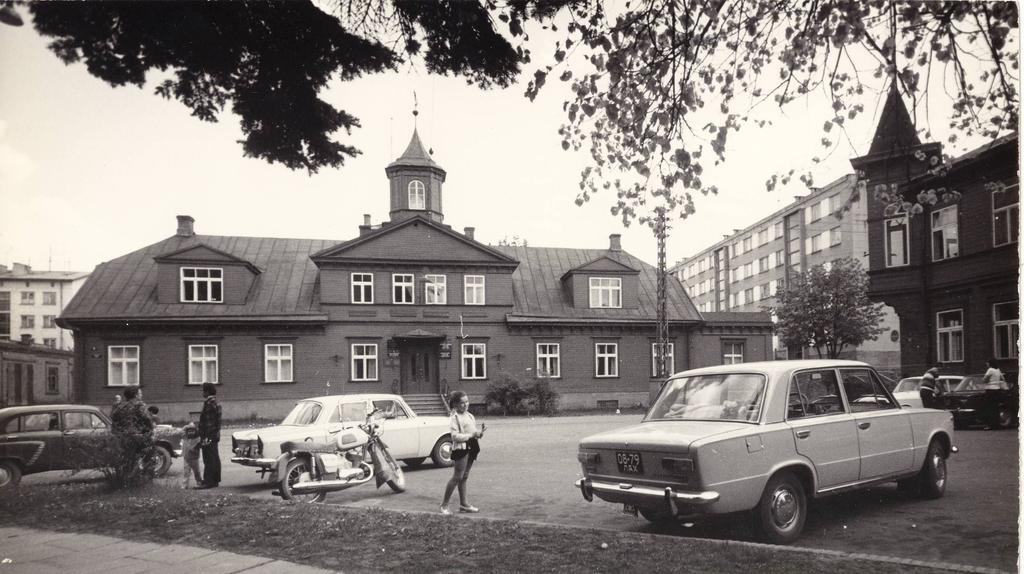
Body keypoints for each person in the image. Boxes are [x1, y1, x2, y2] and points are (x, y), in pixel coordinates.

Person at [440, 391, 485, 515]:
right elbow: (454, 437)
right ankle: (444, 505)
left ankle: (464, 504)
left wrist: (478, 433)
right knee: (457, 477)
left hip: (472, 447)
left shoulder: (470, 416)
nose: (465, 405)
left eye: (467, 402)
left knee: (464, 477)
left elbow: (473, 431)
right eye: (462, 403)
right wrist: (471, 435)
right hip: (461, 449)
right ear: (455, 404)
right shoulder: (455, 418)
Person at [196, 382, 222, 489]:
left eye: (203, 391)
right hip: (214, 434)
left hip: (208, 434)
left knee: (208, 458)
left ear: (207, 391)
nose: (202, 393)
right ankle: (215, 480)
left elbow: (207, 422)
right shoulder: (216, 402)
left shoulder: (209, 403)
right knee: (214, 457)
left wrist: (203, 435)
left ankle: (208, 481)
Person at [180, 422, 203, 488]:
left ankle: (199, 482)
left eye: (193, 431)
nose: (191, 432)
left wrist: (194, 427)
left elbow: (200, 445)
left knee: (197, 472)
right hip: (186, 458)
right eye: (189, 431)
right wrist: (187, 426)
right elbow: (182, 431)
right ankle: (185, 485)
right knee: (186, 472)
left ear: (196, 431)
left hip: (194, 458)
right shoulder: (185, 438)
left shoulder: (197, 439)